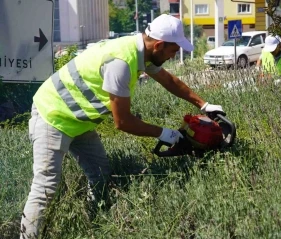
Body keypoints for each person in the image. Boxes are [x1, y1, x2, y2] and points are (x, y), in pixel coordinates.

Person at [20, 14, 225, 239]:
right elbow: (123, 122)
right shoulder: (120, 63)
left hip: (79, 122)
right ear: (158, 45)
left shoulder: (142, 53)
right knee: (46, 188)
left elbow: (169, 81)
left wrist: (204, 105)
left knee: (100, 174)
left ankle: (91, 225)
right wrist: (167, 134)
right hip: (52, 116)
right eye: (173, 51)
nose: (173, 56)